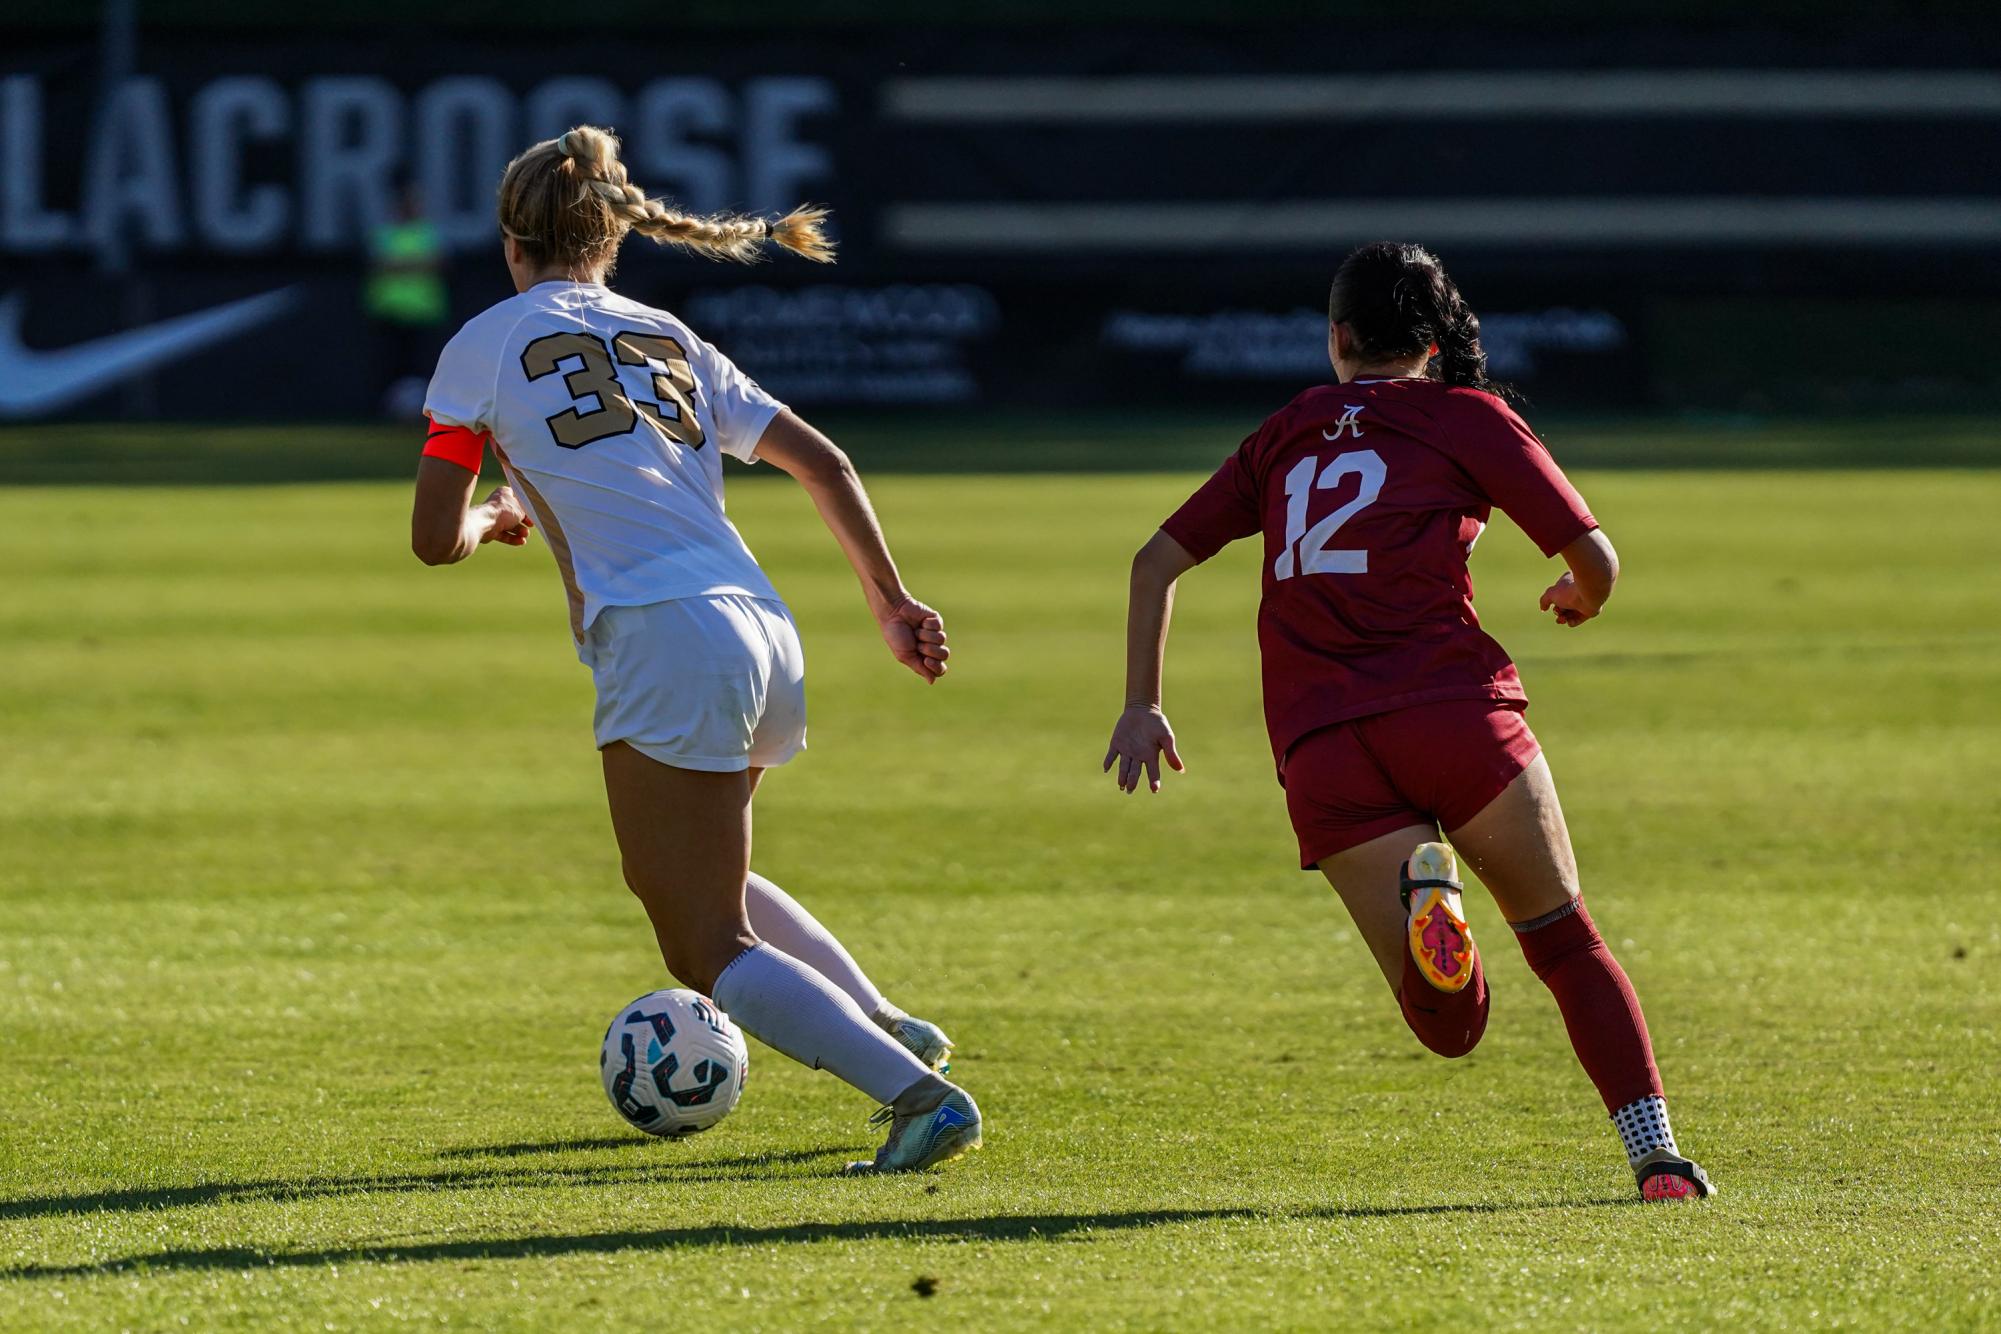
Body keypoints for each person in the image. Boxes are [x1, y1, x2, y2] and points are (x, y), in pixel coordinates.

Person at [408, 126, 980, 1175]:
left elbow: (431, 539)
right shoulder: (666, 333)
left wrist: (496, 515)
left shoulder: (480, 346)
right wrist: (892, 600)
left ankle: (920, 1096)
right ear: (612, 239)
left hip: (666, 636)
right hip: (761, 622)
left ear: (511, 242)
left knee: (700, 940)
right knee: (711, 874)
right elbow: (825, 460)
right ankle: (887, 1022)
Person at [1103, 242, 1712, 1202]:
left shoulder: (1287, 429)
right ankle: (1657, 1157)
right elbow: (1593, 556)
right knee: (1562, 940)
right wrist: (1580, 597)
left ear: (1337, 337)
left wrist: (1142, 705)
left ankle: (1439, 914)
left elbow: (1153, 562)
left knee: (1448, 1027)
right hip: (1455, 718)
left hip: (1324, 749)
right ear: (1432, 344)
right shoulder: (1468, 416)